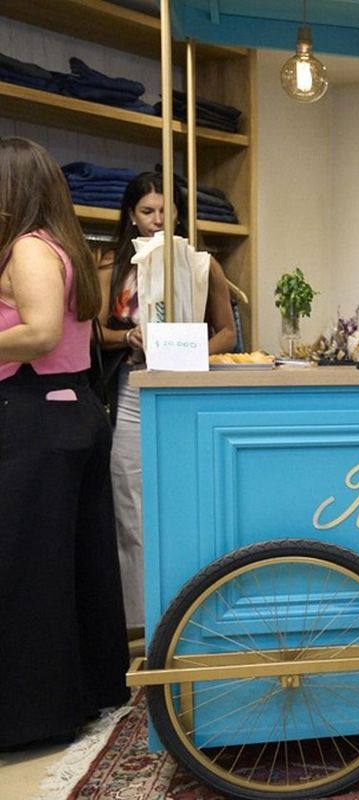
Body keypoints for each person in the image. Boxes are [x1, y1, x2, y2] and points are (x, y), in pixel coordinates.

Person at [0, 137, 130, 749]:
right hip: (71, 408)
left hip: (34, 414)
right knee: (71, 561)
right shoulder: (66, 245)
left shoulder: (27, 247)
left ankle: (30, 714)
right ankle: (78, 693)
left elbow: (41, 331)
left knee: (26, 567)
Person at [96, 172, 236, 631]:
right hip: (132, 393)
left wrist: (191, 351)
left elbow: (228, 332)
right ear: (131, 216)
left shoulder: (200, 265)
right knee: (130, 513)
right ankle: (137, 627)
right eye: (146, 212)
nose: (157, 221)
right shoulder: (113, 266)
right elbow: (95, 330)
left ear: (178, 213)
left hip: (185, 394)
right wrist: (128, 335)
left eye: (164, 211)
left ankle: (189, 624)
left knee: (186, 507)